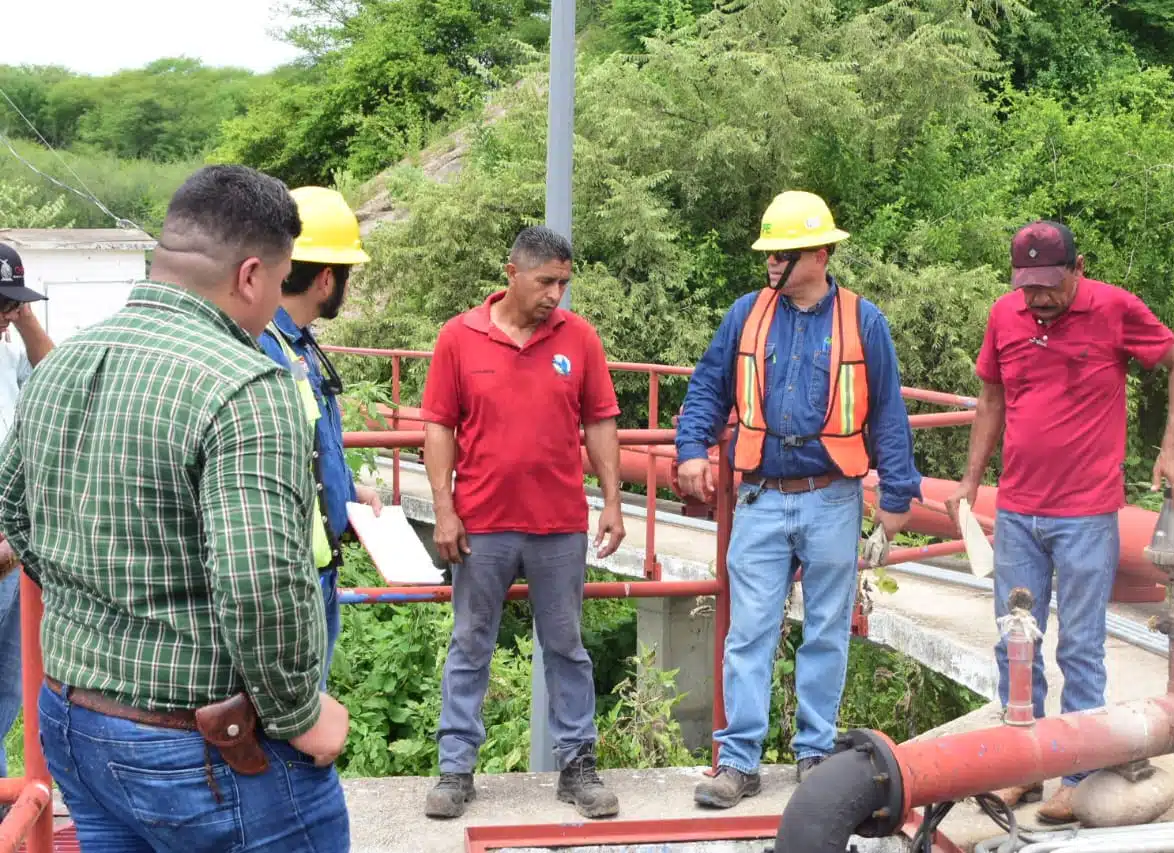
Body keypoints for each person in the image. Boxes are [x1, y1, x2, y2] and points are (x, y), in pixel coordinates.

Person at [0, 164, 352, 852]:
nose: (275, 301)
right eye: (280, 283)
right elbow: (260, 587)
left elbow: (15, 510)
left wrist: (109, 596)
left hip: (76, 723)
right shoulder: (248, 385)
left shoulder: (64, 363)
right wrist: (300, 712)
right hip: (203, 746)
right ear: (250, 276)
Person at [945, 219, 1174, 824]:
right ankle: (1019, 769)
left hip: (1085, 513)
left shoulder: (1114, 308)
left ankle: (1077, 776)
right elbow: (991, 400)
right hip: (1016, 510)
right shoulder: (1005, 315)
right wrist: (971, 480)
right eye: (1027, 286)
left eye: (1049, 286)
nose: (1037, 298)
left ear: (1076, 269)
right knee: (1015, 640)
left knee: (1080, 647)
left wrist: (1173, 448)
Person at [675, 190, 923, 809]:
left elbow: (888, 414)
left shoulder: (864, 322)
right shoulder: (746, 315)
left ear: (819, 254)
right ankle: (739, 763)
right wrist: (689, 450)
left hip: (832, 498)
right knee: (749, 631)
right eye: (769, 253)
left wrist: (896, 497)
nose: (771, 264)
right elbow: (708, 387)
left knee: (826, 630)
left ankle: (814, 754)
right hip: (759, 498)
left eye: (783, 253)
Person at [420, 225, 626, 820]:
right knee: (470, 643)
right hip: (481, 523)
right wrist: (443, 509)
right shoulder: (458, 337)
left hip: (559, 523)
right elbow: (438, 426)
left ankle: (578, 769)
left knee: (566, 646)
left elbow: (601, 422)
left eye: (564, 282)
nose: (556, 295)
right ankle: (455, 770)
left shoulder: (579, 338)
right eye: (546, 282)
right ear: (512, 273)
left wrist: (612, 502)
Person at [258, 185, 383, 687]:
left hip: (316, 563)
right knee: (298, 711)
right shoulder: (270, 349)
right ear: (326, 279)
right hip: (295, 575)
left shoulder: (294, 346)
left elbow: (312, 448)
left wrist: (349, 494)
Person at [0, 244, 54, 807]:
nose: (5, 316)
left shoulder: (8, 346)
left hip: (10, 552)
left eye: (10, 305)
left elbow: (55, 372)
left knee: (6, 698)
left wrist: (24, 315)